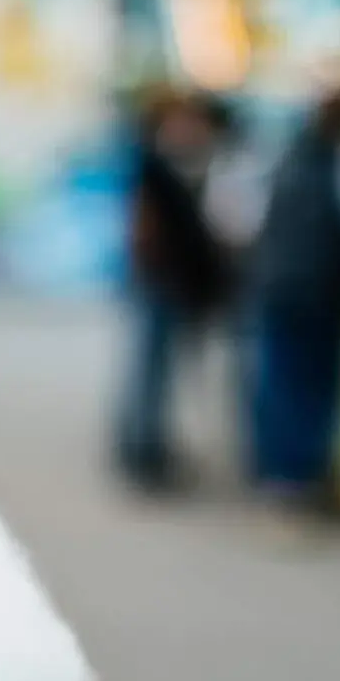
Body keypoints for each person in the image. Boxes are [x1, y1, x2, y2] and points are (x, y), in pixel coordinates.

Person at [244, 88, 340, 514]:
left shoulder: (288, 159)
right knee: (312, 386)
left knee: (280, 382)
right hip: (317, 293)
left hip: (279, 288)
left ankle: (279, 474)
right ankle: (299, 477)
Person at [114, 89, 233, 490]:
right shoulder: (156, 168)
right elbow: (144, 229)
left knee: (154, 371)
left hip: (169, 282)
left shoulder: (177, 167)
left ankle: (145, 447)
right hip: (159, 281)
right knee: (151, 370)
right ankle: (143, 451)